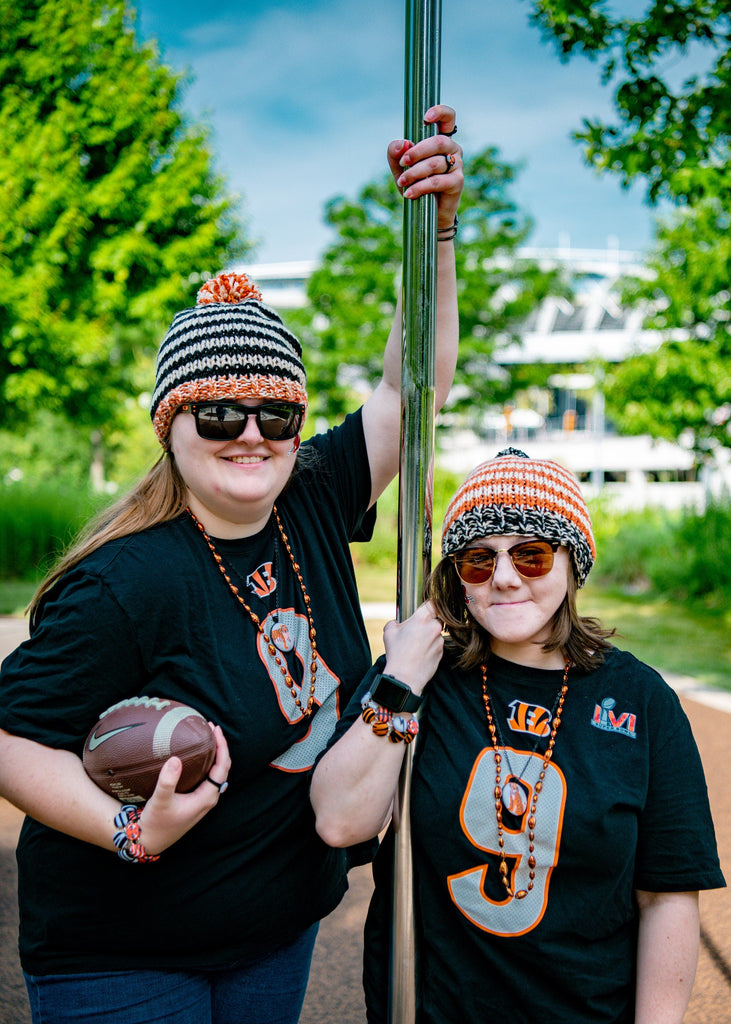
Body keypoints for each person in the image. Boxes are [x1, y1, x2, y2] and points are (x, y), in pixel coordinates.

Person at [0, 106, 463, 1024]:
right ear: (170, 427)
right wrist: (128, 831)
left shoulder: (315, 496)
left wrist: (437, 230)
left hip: (273, 932)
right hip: (122, 953)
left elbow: (412, 390)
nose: (250, 434)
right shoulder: (124, 582)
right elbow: (9, 738)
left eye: (275, 412)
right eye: (218, 414)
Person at [312, 447, 726, 1024]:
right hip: (432, 1008)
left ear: (571, 562)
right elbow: (339, 821)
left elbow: (668, 895)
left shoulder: (643, 701)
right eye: (478, 561)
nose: (503, 578)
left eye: (530, 555)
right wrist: (399, 682)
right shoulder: (418, 674)